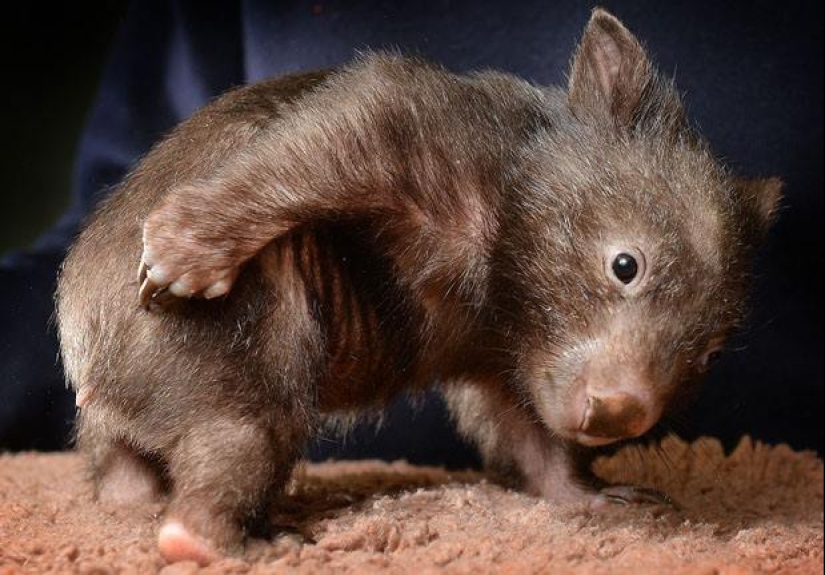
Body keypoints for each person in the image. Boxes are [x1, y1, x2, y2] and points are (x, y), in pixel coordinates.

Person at [1, 0, 822, 457]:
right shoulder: (450, 141)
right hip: (228, 387)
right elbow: (118, 231)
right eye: (627, 272)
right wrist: (216, 225)